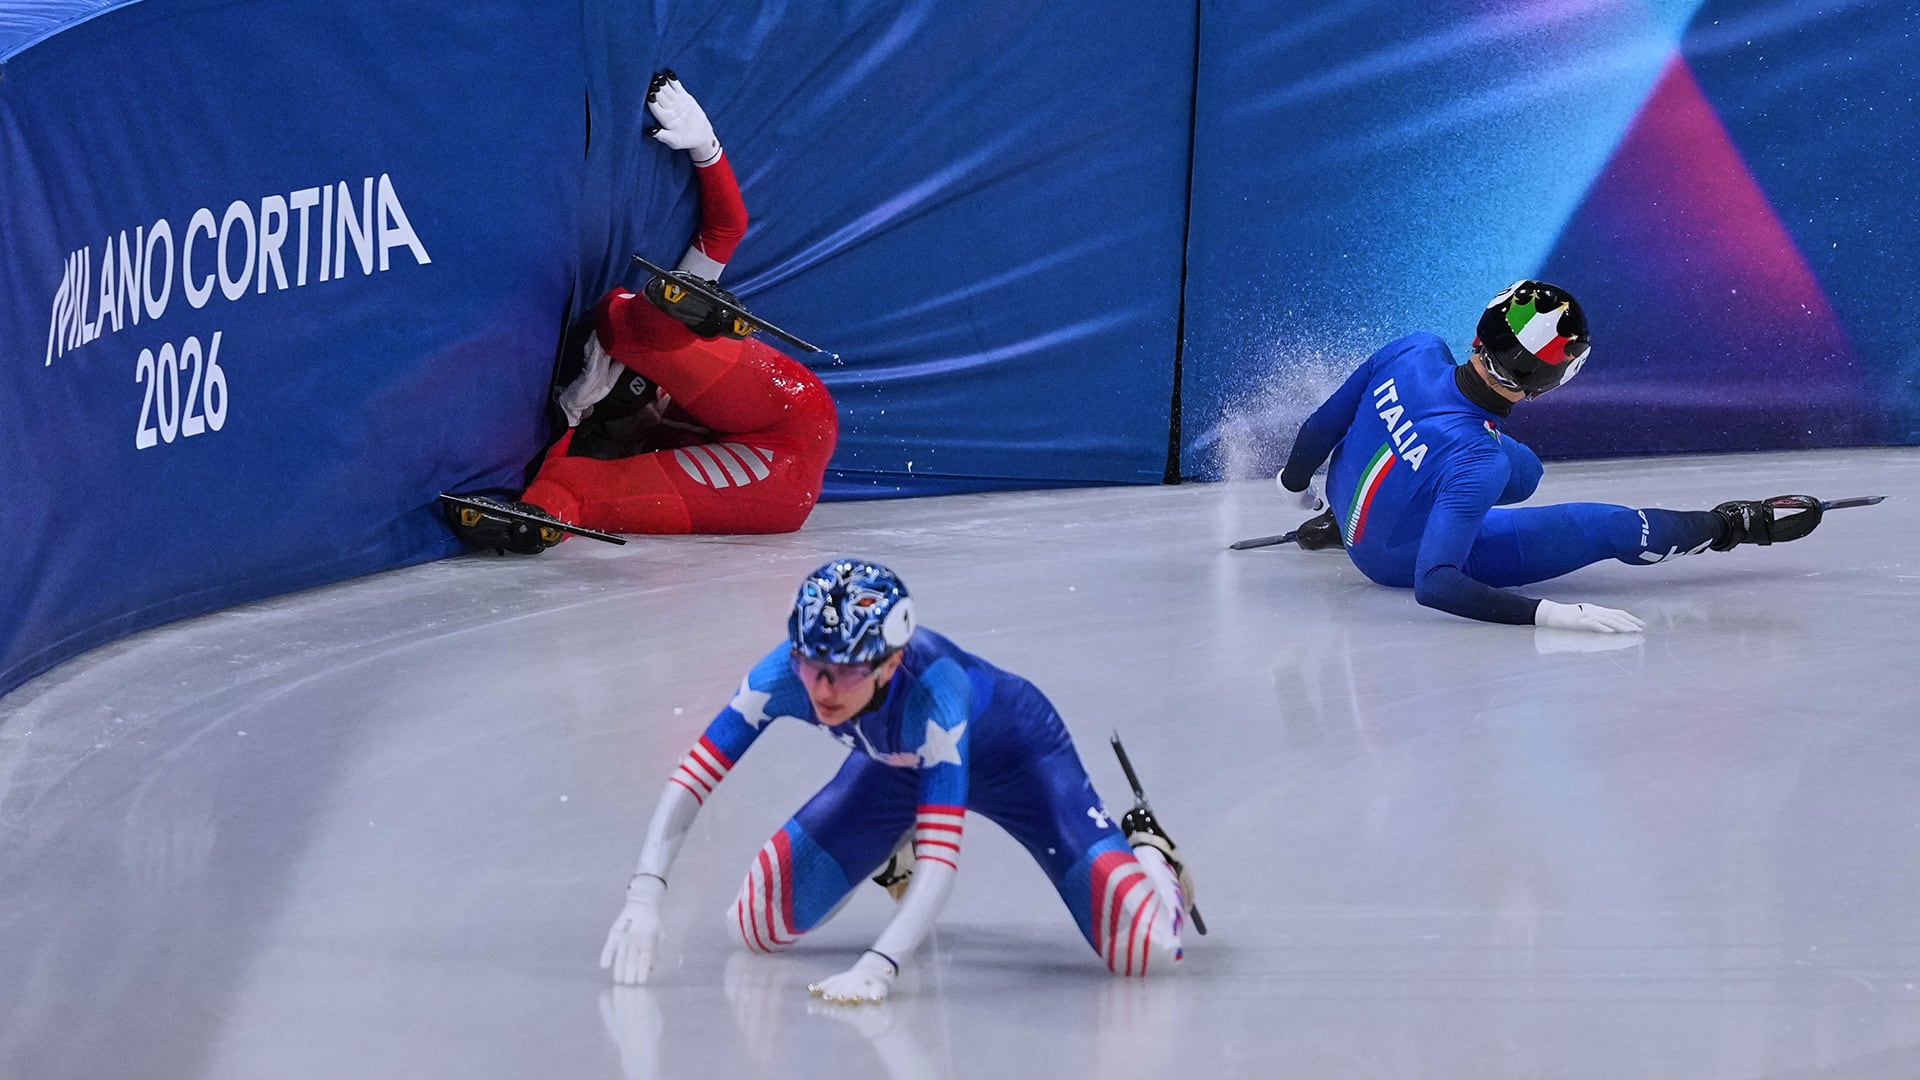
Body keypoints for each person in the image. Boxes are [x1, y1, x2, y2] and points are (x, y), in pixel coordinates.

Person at [598, 560, 1197, 1003]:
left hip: (1022, 763)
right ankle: (890, 842)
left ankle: (1149, 853)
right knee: (755, 924)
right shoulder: (784, 672)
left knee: (1144, 952)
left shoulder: (938, 696)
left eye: (846, 672)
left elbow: (942, 862)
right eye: (811, 665)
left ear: (889, 663)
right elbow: (693, 779)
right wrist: (644, 897)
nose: (822, 690)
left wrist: (880, 965)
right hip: (893, 768)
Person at [1275, 279, 1827, 632]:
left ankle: (1336, 518)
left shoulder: (1414, 349)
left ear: (1478, 335)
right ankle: (1730, 526)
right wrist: (1551, 614)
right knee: (1590, 519)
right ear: (1543, 389)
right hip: (1388, 559)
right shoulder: (1477, 462)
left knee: (1516, 474)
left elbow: (1321, 426)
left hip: (1350, 505)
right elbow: (1435, 581)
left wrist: (1297, 486)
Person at [449, 72, 838, 554]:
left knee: (582, 474)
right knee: (630, 336)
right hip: (790, 419)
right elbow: (726, 230)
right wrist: (706, 149)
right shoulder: (634, 413)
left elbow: (726, 229)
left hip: (776, 479)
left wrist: (566, 430)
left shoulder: (592, 419)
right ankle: (678, 309)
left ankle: (537, 519)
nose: (648, 409)